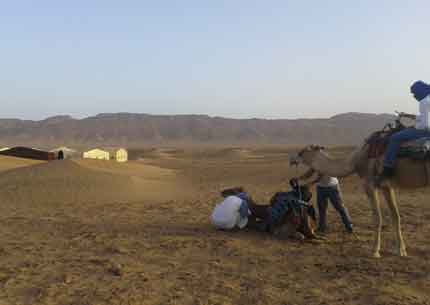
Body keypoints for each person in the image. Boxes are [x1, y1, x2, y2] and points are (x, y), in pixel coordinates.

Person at [377, 80, 430, 181]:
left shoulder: (424, 102)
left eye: (414, 93)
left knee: (394, 138)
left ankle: (388, 168)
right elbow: (424, 117)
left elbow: (425, 124)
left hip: (426, 131)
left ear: (420, 91)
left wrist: (414, 127)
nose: (414, 96)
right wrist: (407, 115)